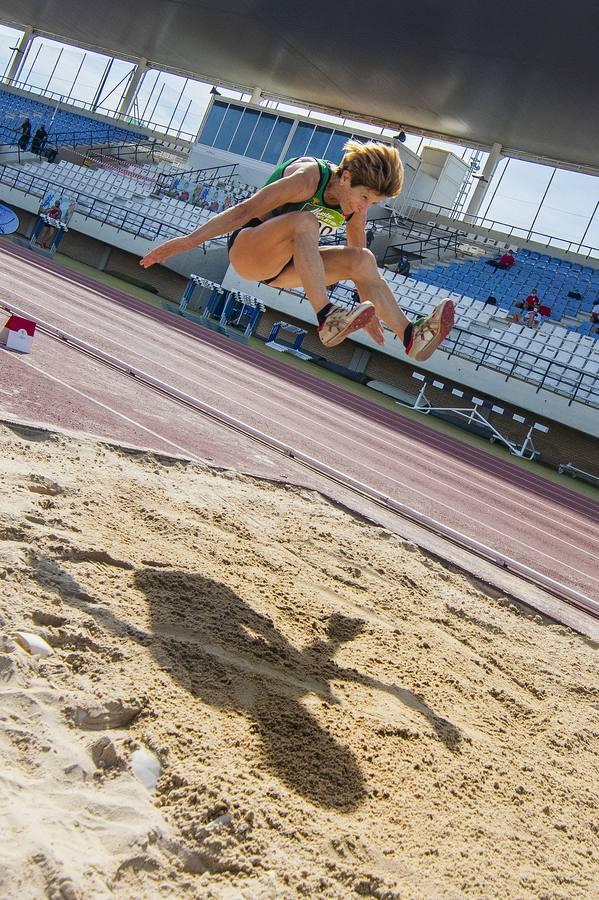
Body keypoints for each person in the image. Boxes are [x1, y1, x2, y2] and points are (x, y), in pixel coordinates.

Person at [140, 141, 455, 360]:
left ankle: (410, 336)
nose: (365, 208)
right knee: (306, 222)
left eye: (372, 204)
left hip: (289, 269)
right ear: (346, 177)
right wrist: (186, 242)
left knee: (364, 258)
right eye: (365, 198)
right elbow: (244, 210)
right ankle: (326, 317)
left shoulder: (353, 205)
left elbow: (357, 255)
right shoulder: (307, 178)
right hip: (250, 250)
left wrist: (368, 306)